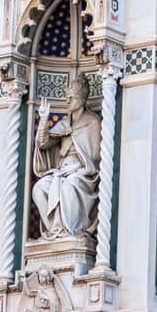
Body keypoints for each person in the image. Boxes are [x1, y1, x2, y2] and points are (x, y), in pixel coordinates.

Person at [31, 78, 102, 239]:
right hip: (61, 171)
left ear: (83, 100)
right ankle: (55, 230)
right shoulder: (64, 123)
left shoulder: (92, 122)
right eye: (67, 97)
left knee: (70, 184)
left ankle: (72, 231)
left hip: (83, 173)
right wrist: (43, 119)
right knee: (40, 187)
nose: (67, 100)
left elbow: (97, 157)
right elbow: (43, 144)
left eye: (72, 97)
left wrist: (77, 168)